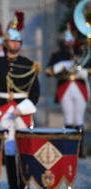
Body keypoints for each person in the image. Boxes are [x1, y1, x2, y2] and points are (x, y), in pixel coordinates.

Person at [0, 12, 40, 189]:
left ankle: (25, 184)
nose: (15, 44)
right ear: (6, 43)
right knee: (9, 151)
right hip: (4, 110)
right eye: (12, 41)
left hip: (22, 111)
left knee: (25, 149)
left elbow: (35, 92)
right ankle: (13, 185)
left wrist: (23, 108)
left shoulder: (29, 64)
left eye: (18, 41)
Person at [46, 25, 90, 158]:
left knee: (79, 119)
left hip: (80, 86)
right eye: (67, 39)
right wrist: (60, 66)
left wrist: (82, 71)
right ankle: (69, 148)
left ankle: (80, 149)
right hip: (65, 87)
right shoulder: (57, 55)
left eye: (71, 39)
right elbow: (48, 71)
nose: (69, 42)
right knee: (69, 118)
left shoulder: (83, 53)